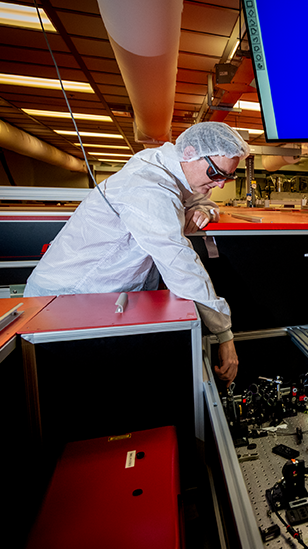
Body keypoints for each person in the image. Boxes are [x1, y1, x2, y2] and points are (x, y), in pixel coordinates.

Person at [24, 121, 248, 383]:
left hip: (103, 298)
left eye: (228, 176)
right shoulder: (148, 186)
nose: (221, 185)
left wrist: (204, 211)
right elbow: (178, 262)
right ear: (189, 153)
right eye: (215, 174)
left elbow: (204, 199)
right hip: (65, 302)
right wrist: (224, 333)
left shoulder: (170, 169)